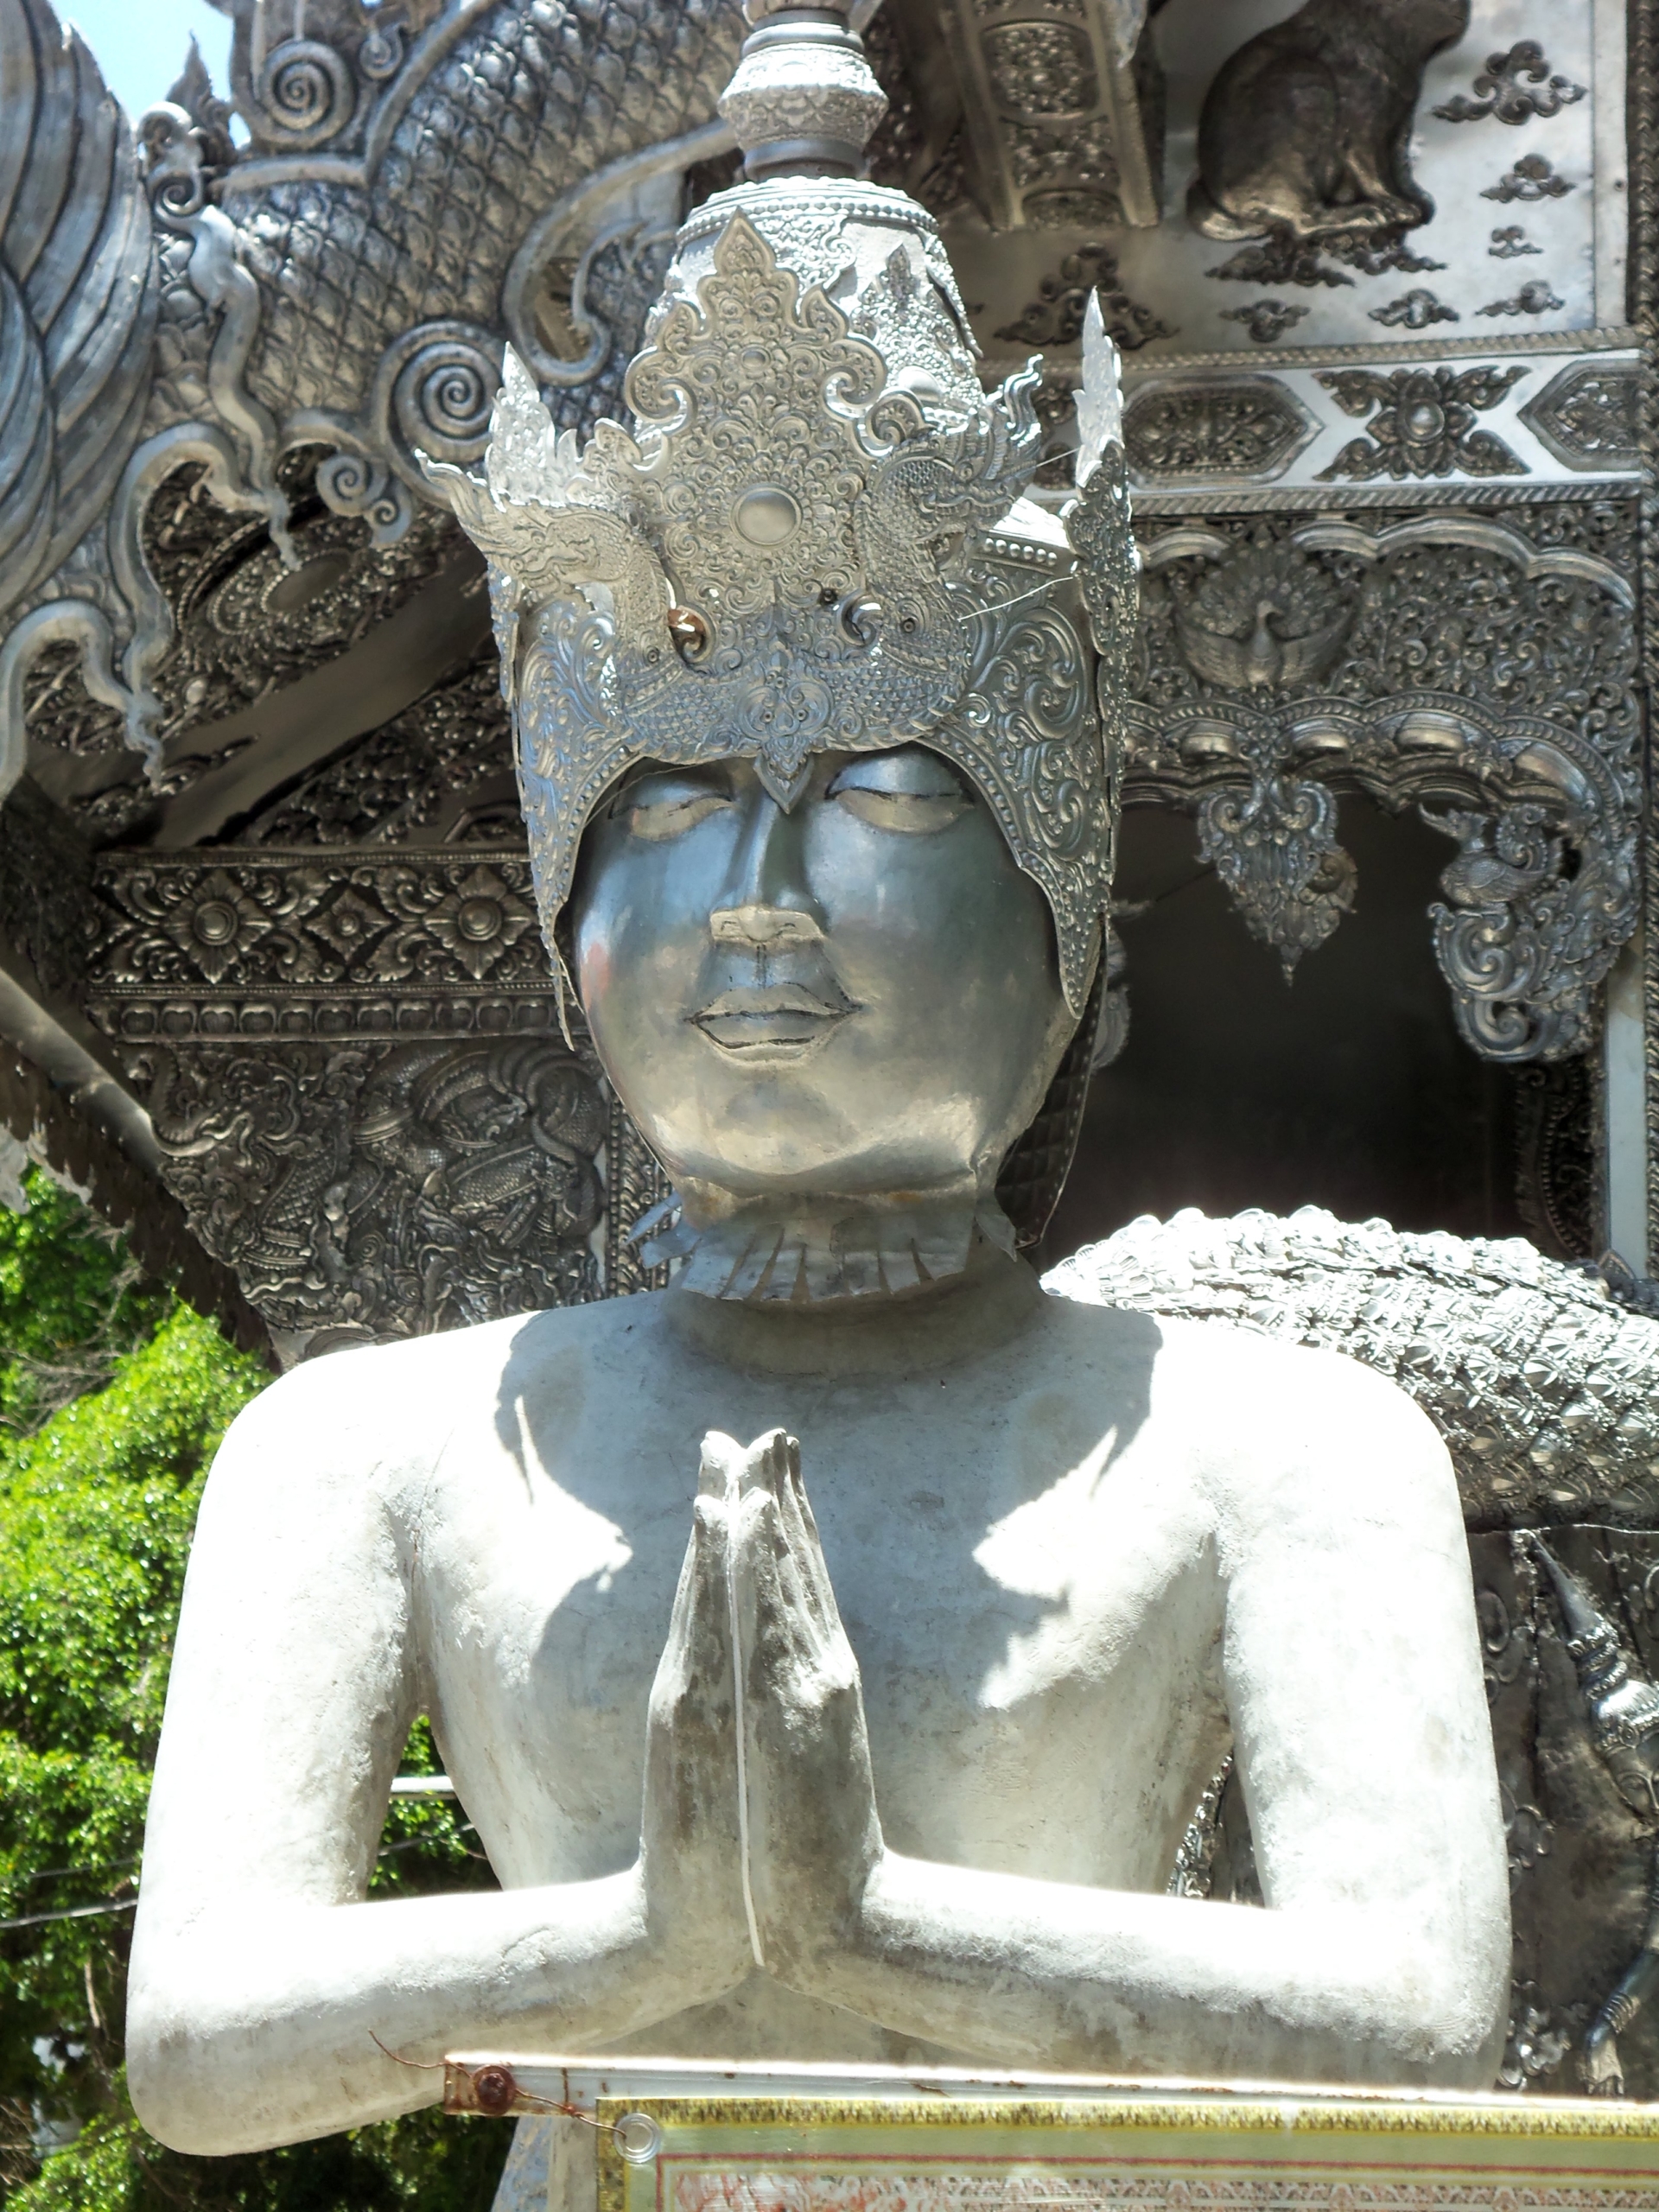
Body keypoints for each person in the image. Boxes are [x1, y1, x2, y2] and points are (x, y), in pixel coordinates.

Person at [125, 11, 1509, 2157]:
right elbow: (202, 2042)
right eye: (669, 805)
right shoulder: (364, 1450)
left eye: (874, 790)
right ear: (567, 934)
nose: (759, 899)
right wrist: (638, 1940)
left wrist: (868, 1922)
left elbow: (1418, 2019)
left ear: (1061, 905)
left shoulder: (1288, 1447)